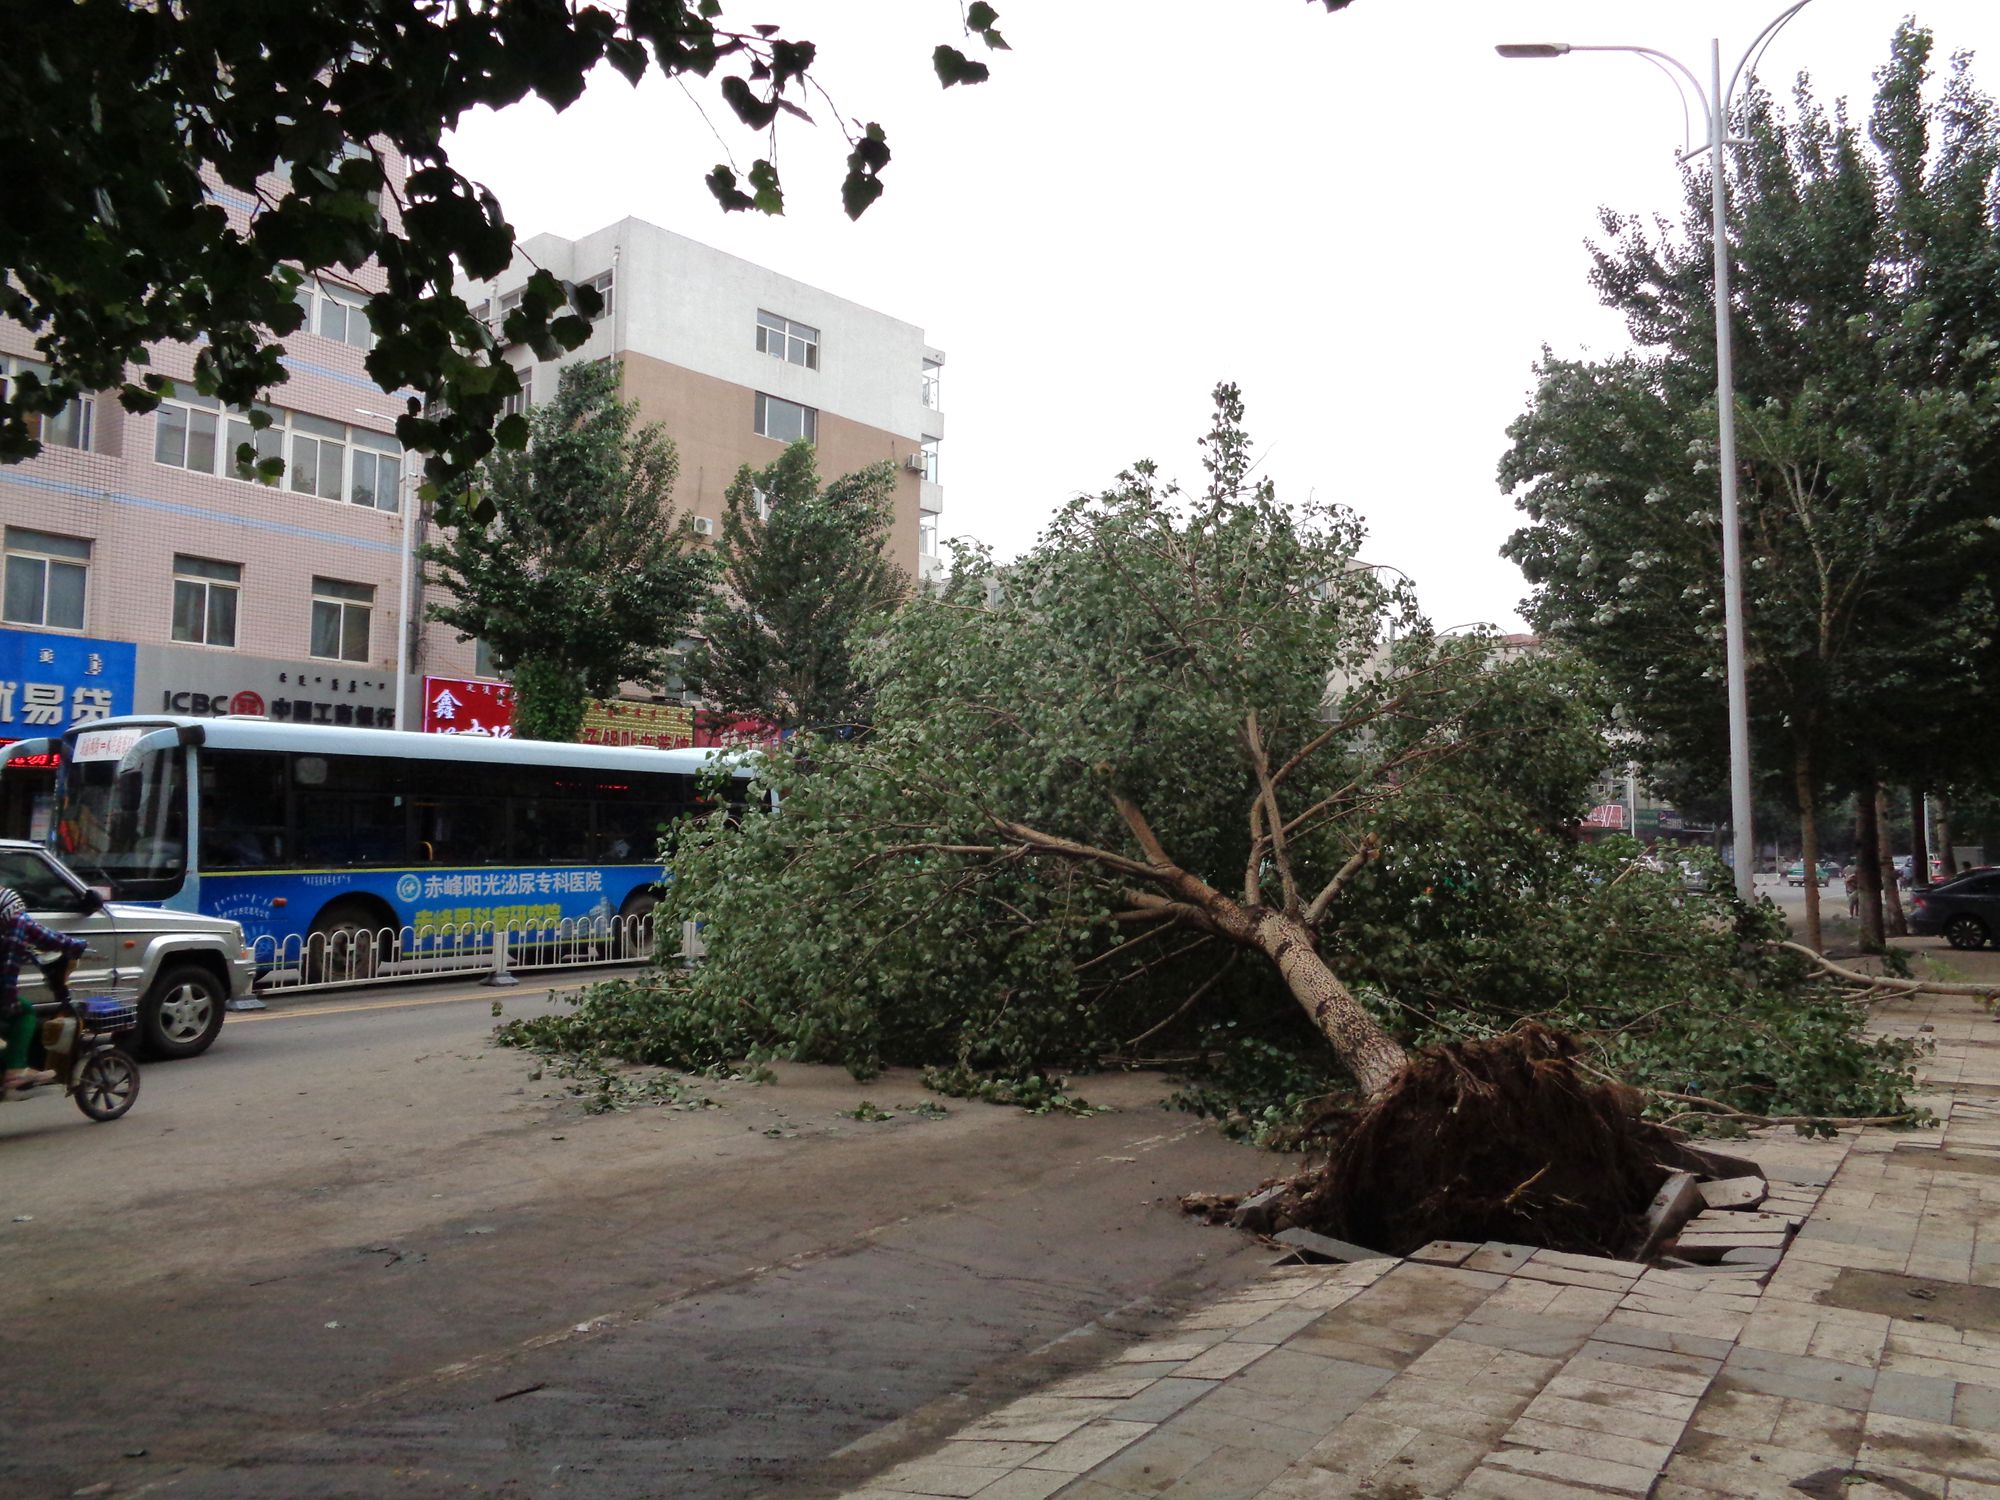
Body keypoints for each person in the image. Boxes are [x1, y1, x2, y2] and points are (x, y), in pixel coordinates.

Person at [0, 888, 89, 1096]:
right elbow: (9, 971)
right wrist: (77, 946)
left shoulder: (12, 922)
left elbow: (43, 936)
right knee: (24, 1013)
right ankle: (15, 1071)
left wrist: (72, 945)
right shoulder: (15, 923)